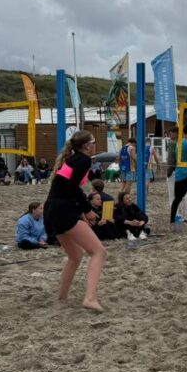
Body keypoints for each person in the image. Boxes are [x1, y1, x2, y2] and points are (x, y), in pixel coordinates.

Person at [44, 130, 106, 312]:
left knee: (75, 256)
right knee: (99, 252)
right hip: (62, 209)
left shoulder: (71, 159)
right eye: (93, 142)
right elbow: (72, 188)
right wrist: (87, 210)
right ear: (87, 146)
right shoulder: (84, 160)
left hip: (52, 209)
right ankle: (90, 298)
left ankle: (62, 298)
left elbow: (67, 188)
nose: (95, 145)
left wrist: (81, 212)